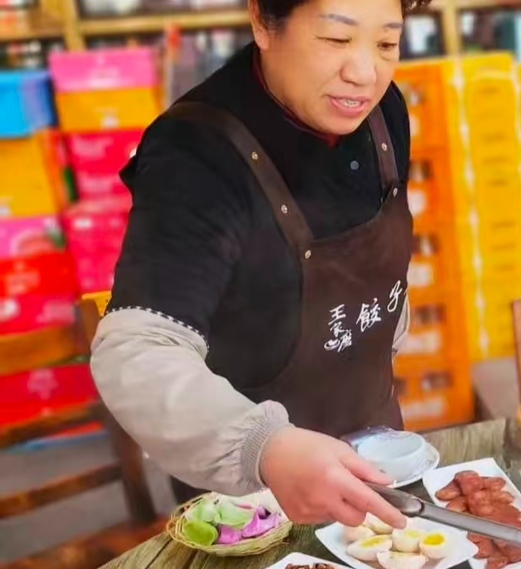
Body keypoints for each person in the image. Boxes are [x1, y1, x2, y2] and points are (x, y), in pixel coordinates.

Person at [89, 0, 435, 530]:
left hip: (377, 457)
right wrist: (264, 447)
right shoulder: (196, 155)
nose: (364, 73)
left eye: (386, 43)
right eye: (336, 40)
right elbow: (136, 351)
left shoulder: (384, 111)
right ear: (261, 21)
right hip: (256, 498)